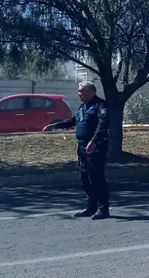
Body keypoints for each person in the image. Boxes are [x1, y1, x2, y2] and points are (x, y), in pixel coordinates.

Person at [45, 81, 111, 219]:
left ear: (91, 92)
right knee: (84, 178)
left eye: (81, 91)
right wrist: (56, 126)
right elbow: (74, 120)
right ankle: (91, 206)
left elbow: (103, 125)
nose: (78, 93)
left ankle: (103, 208)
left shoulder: (101, 105)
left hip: (95, 146)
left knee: (97, 177)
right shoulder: (83, 107)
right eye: (79, 91)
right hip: (82, 146)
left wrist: (94, 141)